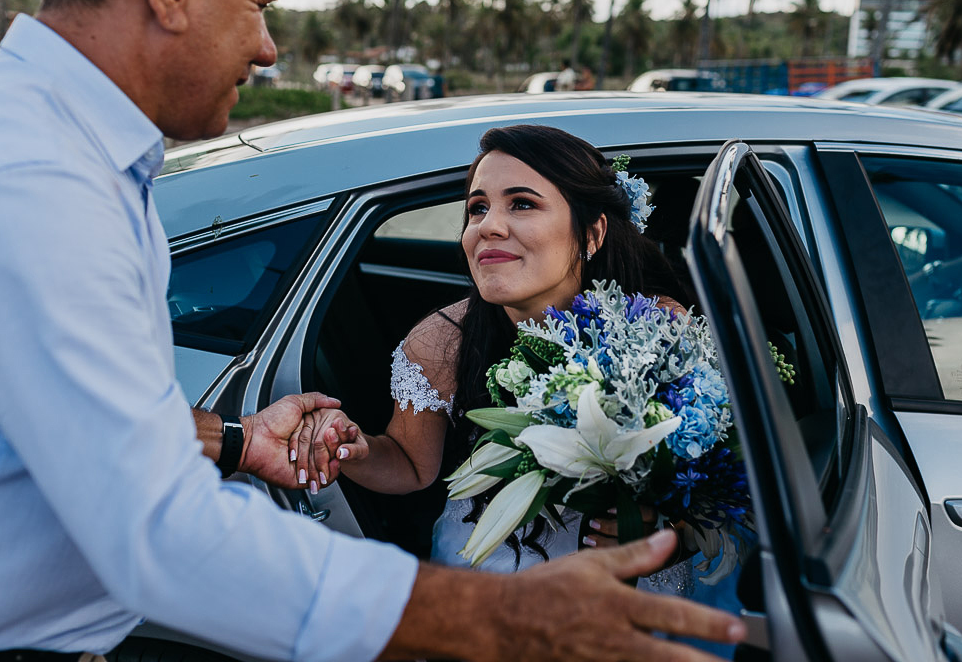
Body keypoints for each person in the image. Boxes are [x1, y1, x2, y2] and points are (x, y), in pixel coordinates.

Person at [0, 0, 745, 662]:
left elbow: (74, 421)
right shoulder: (27, 179)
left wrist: (235, 440)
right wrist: (501, 617)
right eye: (258, 5)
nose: (267, 49)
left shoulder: (54, 153)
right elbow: (159, 533)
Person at [296, 125, 709, 571]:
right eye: (477, 209)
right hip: (491, 567)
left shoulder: (658, 327)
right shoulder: (440, 342)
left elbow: (711, 481)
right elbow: (412, 467)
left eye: (523, 204)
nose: (488, 226)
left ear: (592, 233)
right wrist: (350, 448)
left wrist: (671, 531)